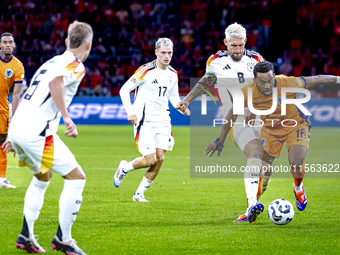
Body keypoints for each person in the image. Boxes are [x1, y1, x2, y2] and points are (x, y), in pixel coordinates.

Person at [205, 61, 340, 218]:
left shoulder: (287, 83)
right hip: (270, 130)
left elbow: (316, 79)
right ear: (255, 80)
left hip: (296, 125)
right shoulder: (247, 92)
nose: (267, 85)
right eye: (262, 82)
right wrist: (220, 140)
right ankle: (251, 211)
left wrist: (337, 79)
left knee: (296, 161)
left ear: (274, 76)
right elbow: (231, 114)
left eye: (270, 80)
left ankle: (298, 187)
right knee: (261, 168)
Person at [2, 21, 93, 254]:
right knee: (77, 177)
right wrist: (67, 117)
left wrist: (14, 133)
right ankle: (64, 238)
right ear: (89, 45)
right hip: (37, 131)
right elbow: (56, 83)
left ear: (66, 42)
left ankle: (26, 236)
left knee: (43, 176)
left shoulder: (51, 61)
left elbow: (30, 93)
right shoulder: (76, 65)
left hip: (20, 125)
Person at [177, 23, 267, 222]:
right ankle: (251, 207)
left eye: (240, 46)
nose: (237, 50)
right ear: (226, 42)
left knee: (265, 166)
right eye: (233, 46)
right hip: (234, 118)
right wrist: (187, 100)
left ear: (245, 42)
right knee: (255, 154)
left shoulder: (257, 60)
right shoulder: (215, 61)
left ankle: (257, 196)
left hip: (258, 115)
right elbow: (206, 82)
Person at [114, 38, 190, 202]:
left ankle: (139, 194)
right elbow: (124, 90)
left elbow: (173, 97)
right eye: (163, 52)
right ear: (156, 52)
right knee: (150, 159)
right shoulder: (145, 71)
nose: (166, 56)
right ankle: (124, 168)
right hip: (144, 122)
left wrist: (181, 107)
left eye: (169, 53)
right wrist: (131, 112)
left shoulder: (173, 73)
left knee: (160, 159)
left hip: (163, 121)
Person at [0, 32, 25, 188]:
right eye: (5, 42)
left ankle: (2, 179)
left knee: (2, 143)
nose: (8, 45)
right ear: (0, 45)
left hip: (2, 110)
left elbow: (16, 95)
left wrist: (14, 117)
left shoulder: (17, 66)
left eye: (11, 42)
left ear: (14, 45)